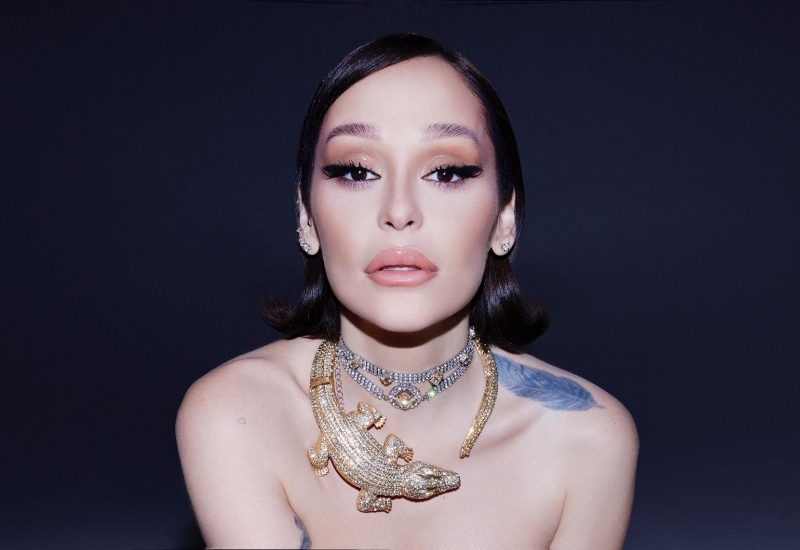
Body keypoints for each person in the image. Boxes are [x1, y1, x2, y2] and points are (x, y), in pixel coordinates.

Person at [176, 33, 638, 549]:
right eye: (356, 171)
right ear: (306, 216)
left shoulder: (587, 438)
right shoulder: (237, 413)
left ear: (504, 218)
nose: (399, 211)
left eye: (446, 172)